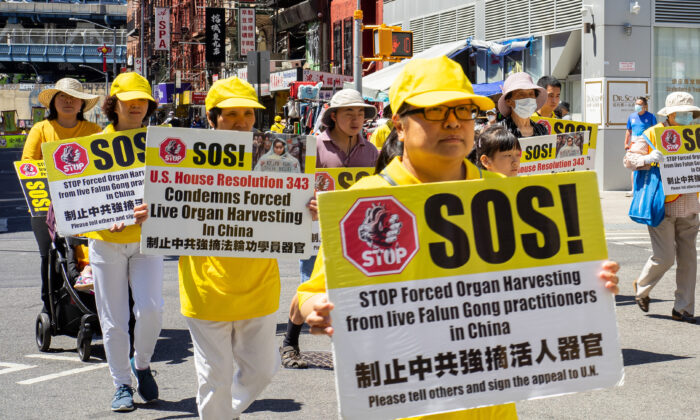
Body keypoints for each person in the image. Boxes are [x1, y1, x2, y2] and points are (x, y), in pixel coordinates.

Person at [298, 55, 621, 420]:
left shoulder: (507, 195)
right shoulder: (366, 202)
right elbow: (309, 296)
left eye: (463, 111)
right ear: (399, 126)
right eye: (435, 111)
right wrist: (319, 310)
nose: (453, 122)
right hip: (403, 403)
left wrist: (590, 283)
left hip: (492, 402)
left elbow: (550, 286)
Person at [178, 76, 295, 419]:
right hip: (205, 288)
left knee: (262, 370)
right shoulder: (187, 157)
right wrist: (149, 213)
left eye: (248, 113)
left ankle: (226, 413)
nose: (241, 121)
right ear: (212, 118)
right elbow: (166, 206)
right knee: (214, 378)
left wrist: (308, 208)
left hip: (258, 285)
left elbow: (291, 211)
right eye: (230, 114)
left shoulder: (277, 157)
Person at [280, 88, 379, 369]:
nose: (357, 119)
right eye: (350, 113)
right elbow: (293, 187)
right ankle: (289, 341)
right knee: (308, 287)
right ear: (333, 116)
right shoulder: (313, 146)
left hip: (352, 232)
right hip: (313, 227)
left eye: (361, 113)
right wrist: (308, 202)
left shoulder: (370, 151)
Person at [86, 72, 163, 412]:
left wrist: (156, 208)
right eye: (128, 99)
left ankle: (141, 363)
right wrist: (102, 216)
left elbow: (177, 193)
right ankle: (121, 385)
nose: (136, 105)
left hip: (148, 240)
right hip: (106, 241)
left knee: (151, 310)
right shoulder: (92, 143)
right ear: (113, 105)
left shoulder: (162, 143)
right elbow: (79, 198)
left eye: (142, 99)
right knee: (113, 320)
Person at [21, 78, 101, 313]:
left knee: (87, 256)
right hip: (45, 207)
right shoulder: (40, 129)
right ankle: (51, 307)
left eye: (73, 98)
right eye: (62, 97)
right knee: (49, 257)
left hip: (85, 206)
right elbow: (28, 166)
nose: (68, 102)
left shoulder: (94, 131)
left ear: (81, 105)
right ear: (53, 102)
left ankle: (89, 306)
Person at [631, 91, 700, 324]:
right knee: (665, 257)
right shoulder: (652, 133)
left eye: (689, 114)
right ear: (669, 115)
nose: (686, 118)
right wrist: (649, 158)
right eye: (681, 114)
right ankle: (641, 287)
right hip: (663, 206)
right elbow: (628, 160)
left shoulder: (696, 134)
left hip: (690, 204)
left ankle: (684, 308)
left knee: (689, 259)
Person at [498, 72, 549, 138]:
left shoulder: (542, 130)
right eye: (521, 94)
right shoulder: (499, 132)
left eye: (531, 94)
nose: (528, 98)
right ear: (508, 101)